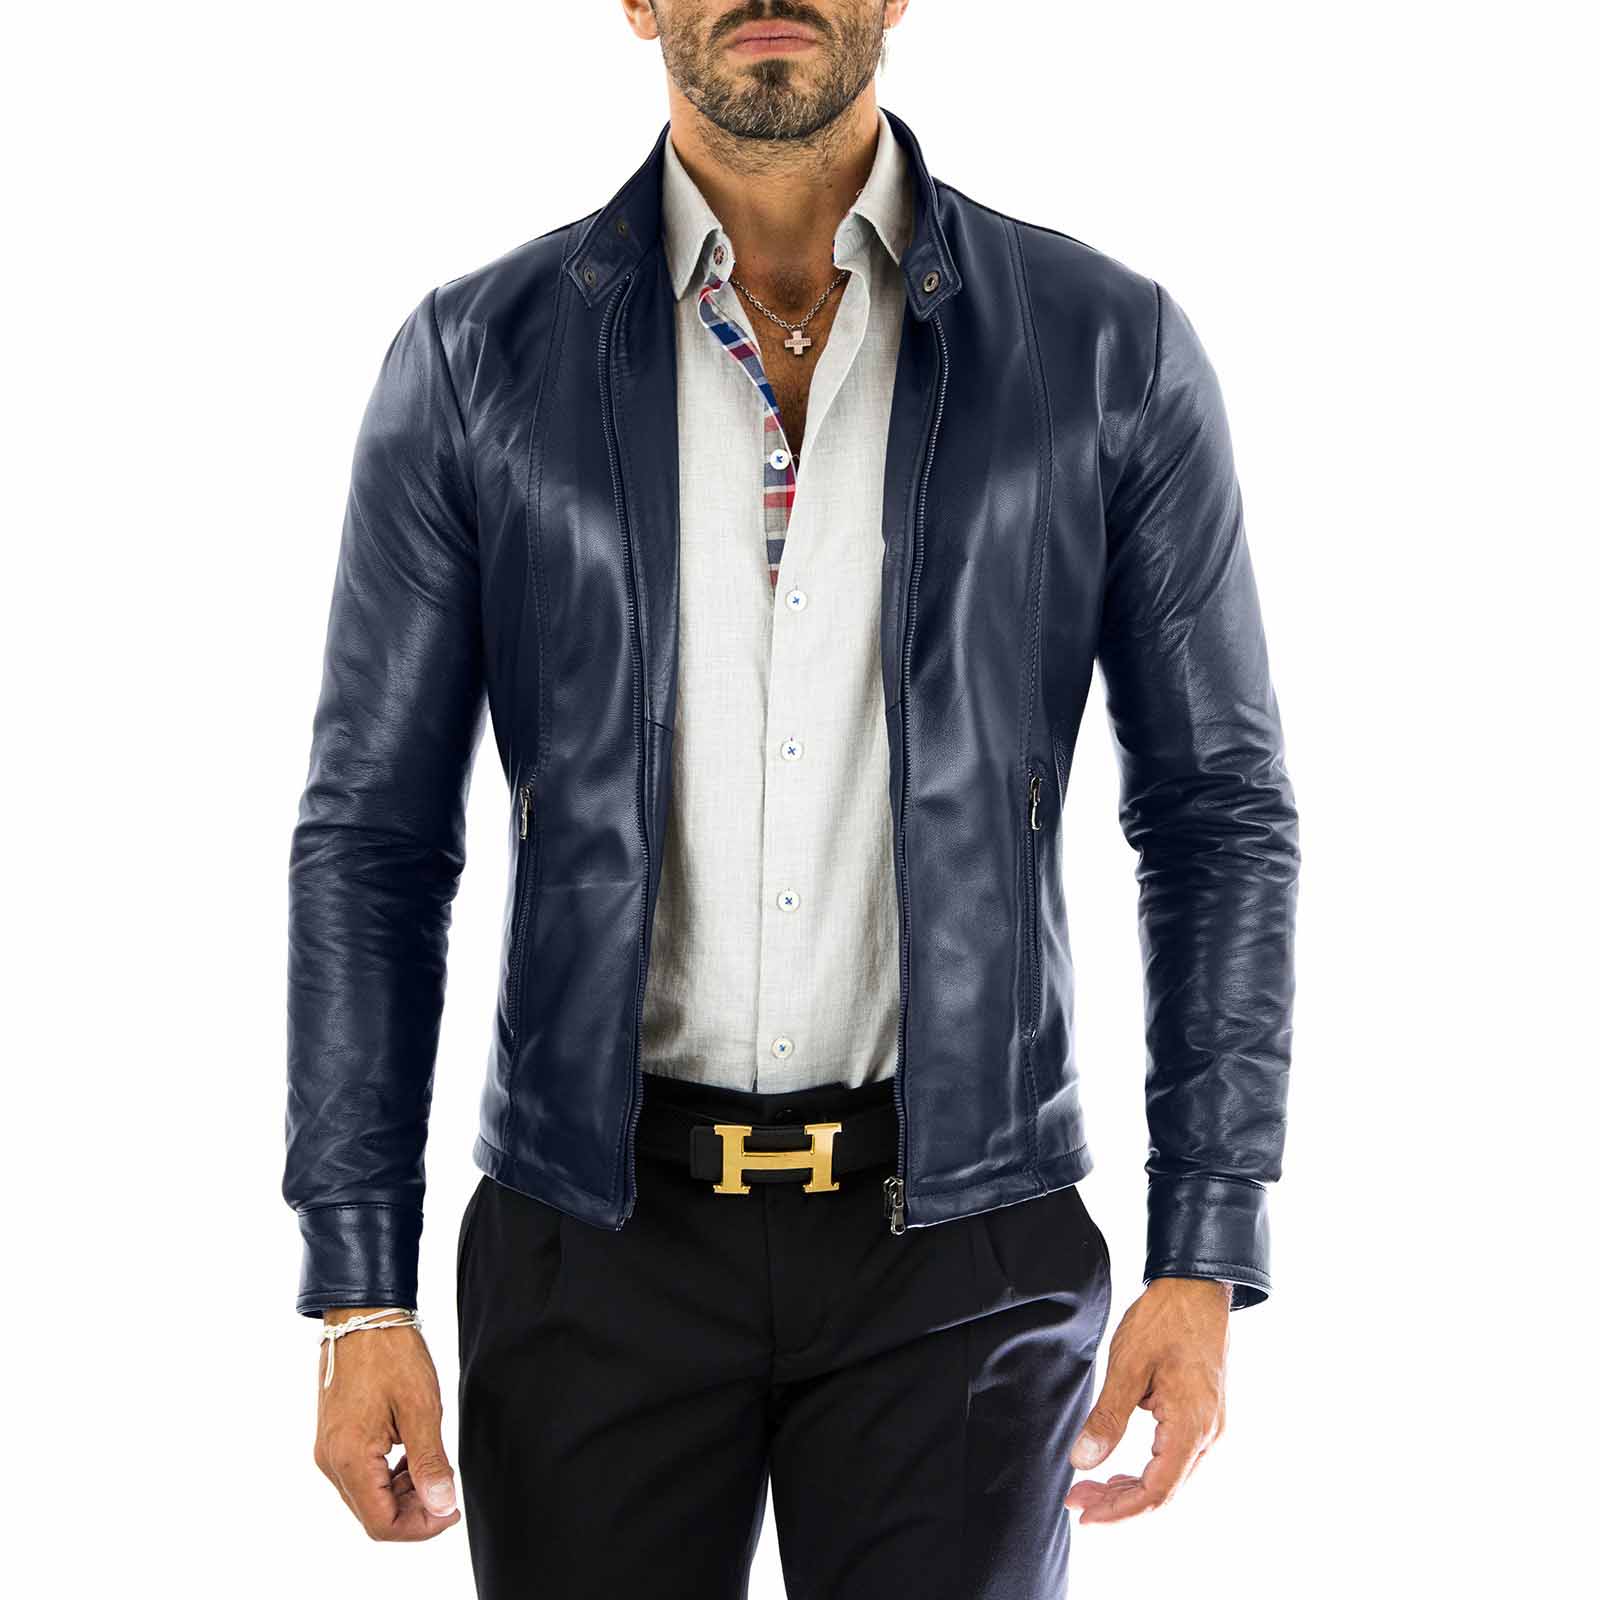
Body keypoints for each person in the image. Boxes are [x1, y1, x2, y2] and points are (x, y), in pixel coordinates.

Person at [284, 2, 1300, 1594]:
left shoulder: (1107, 351)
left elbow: (1217, 812)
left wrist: (1206, 1244)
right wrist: (362, 1288)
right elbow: (372, 841)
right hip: (591, 1240)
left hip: (963, 1247)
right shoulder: (478, 363)